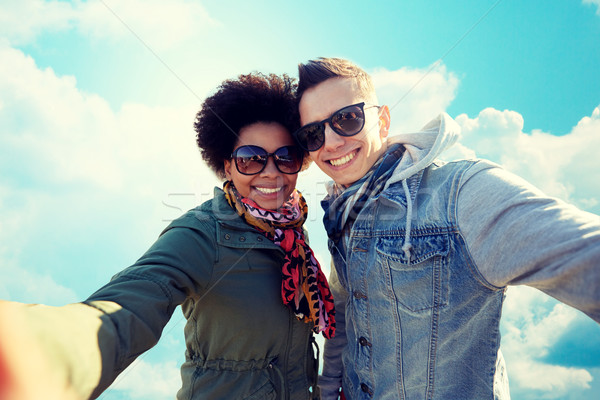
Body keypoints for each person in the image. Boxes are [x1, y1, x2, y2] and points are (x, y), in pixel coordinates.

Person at [0, 72, 335, 400]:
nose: (271, 173)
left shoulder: (292, 236)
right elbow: (133, 301)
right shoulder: (202, 233)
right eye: (251, 159)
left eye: (285, 157)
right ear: (227, 165)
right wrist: (41, 353)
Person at [292, 57, 600, 400]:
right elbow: (346, 319)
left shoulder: (460, 192)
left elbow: (586, 254)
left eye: (347, 119)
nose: (331, 142)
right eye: (313, 133)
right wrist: (328, 388)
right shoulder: (343, 215)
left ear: (382, 121)